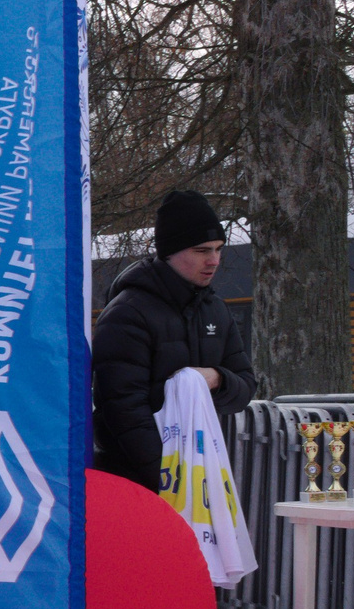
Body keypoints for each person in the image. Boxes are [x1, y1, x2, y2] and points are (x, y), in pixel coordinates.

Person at [92, 190, 257, 491]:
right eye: (201, 250)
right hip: (133, 482)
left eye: (219, 249)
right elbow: (123, 411)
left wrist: (217, 378)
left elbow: (246, 386)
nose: (214, 260)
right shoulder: (127, 312)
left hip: (199, 476)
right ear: (169, 251)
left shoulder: (215, 309)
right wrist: (171, 482)